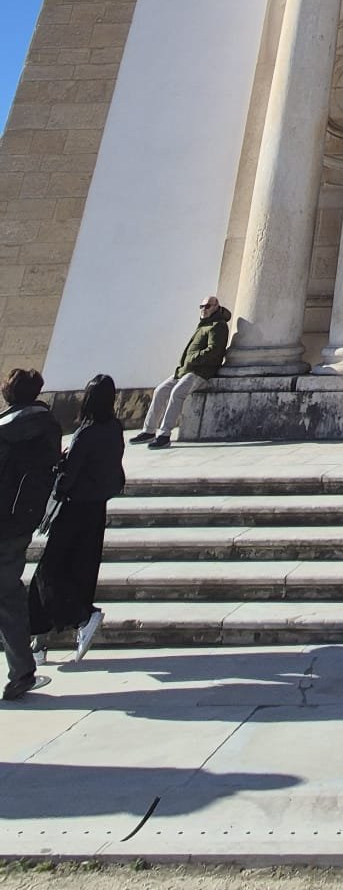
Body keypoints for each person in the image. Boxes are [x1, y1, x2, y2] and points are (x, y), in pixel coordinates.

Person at [29, 374, 125, 666]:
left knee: (48, 572)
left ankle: (81, 618)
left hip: (73, 508)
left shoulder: (87, 432)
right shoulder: (114, 428)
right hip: (96, 508)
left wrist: (58, 473)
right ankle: (40, 639)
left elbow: (69, 477)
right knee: (77, 569)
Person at [0, 367, 62, 701]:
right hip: (20, 524)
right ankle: (22, 670)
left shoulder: (5, 429)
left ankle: (22, 670)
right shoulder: (49, 427)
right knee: (8, 595)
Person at [131, 295, 231, 449]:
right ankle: (149, 431)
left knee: (177, 393)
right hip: (185, 370)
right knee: (160, 391)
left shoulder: (218, 325)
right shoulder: (204, 324)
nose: (204, 309)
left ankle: (164, 434)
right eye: (202, 306)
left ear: (216, 306)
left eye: (208, 306)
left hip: (200, 372)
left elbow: (214, 351)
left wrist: (192, 359)